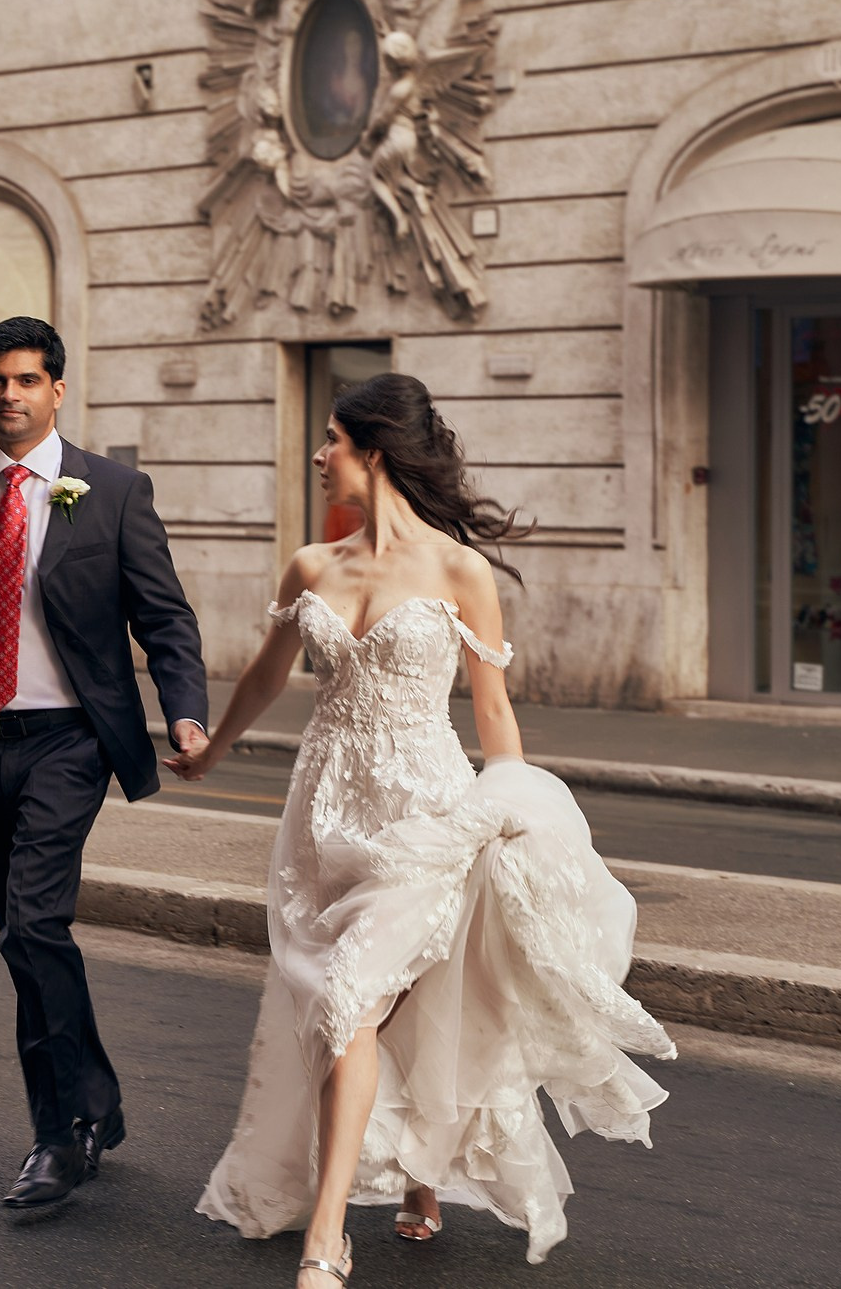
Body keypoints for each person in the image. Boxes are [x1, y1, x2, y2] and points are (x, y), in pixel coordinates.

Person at [174, 373, 674, 1281]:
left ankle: (327, 1239)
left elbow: (494, 714)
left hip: (423, 815)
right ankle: (413, 1173)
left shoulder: (459, 570)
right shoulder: (311, 566)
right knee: (353, 1007)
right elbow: (262, 676)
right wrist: (210, 751)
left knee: (352, 999)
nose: (318, 456)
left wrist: (515, 808)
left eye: (330, 440)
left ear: (374, 449)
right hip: (324, 814)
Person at [0, 315, 210, 1209]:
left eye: (24, 381)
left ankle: (59, 1137)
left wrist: (186, 713)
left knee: (34, 924)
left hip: (69, 741)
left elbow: (164, 618)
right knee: (22, 939)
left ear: (58, 389)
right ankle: (94, 1099)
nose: (7, 396)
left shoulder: (114, 491)